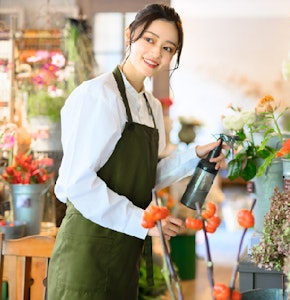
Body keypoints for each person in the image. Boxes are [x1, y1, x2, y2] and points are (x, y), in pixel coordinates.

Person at [47, 4, 227, 299]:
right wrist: (143, 222)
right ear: (130, 35)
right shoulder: (98, 95)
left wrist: (195, 155)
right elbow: (79, 183)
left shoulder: (152, 106)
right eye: (150, 40)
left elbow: (144, 176)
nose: (157, 53)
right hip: (87, 247)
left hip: (125, 251)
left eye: (168, 48)